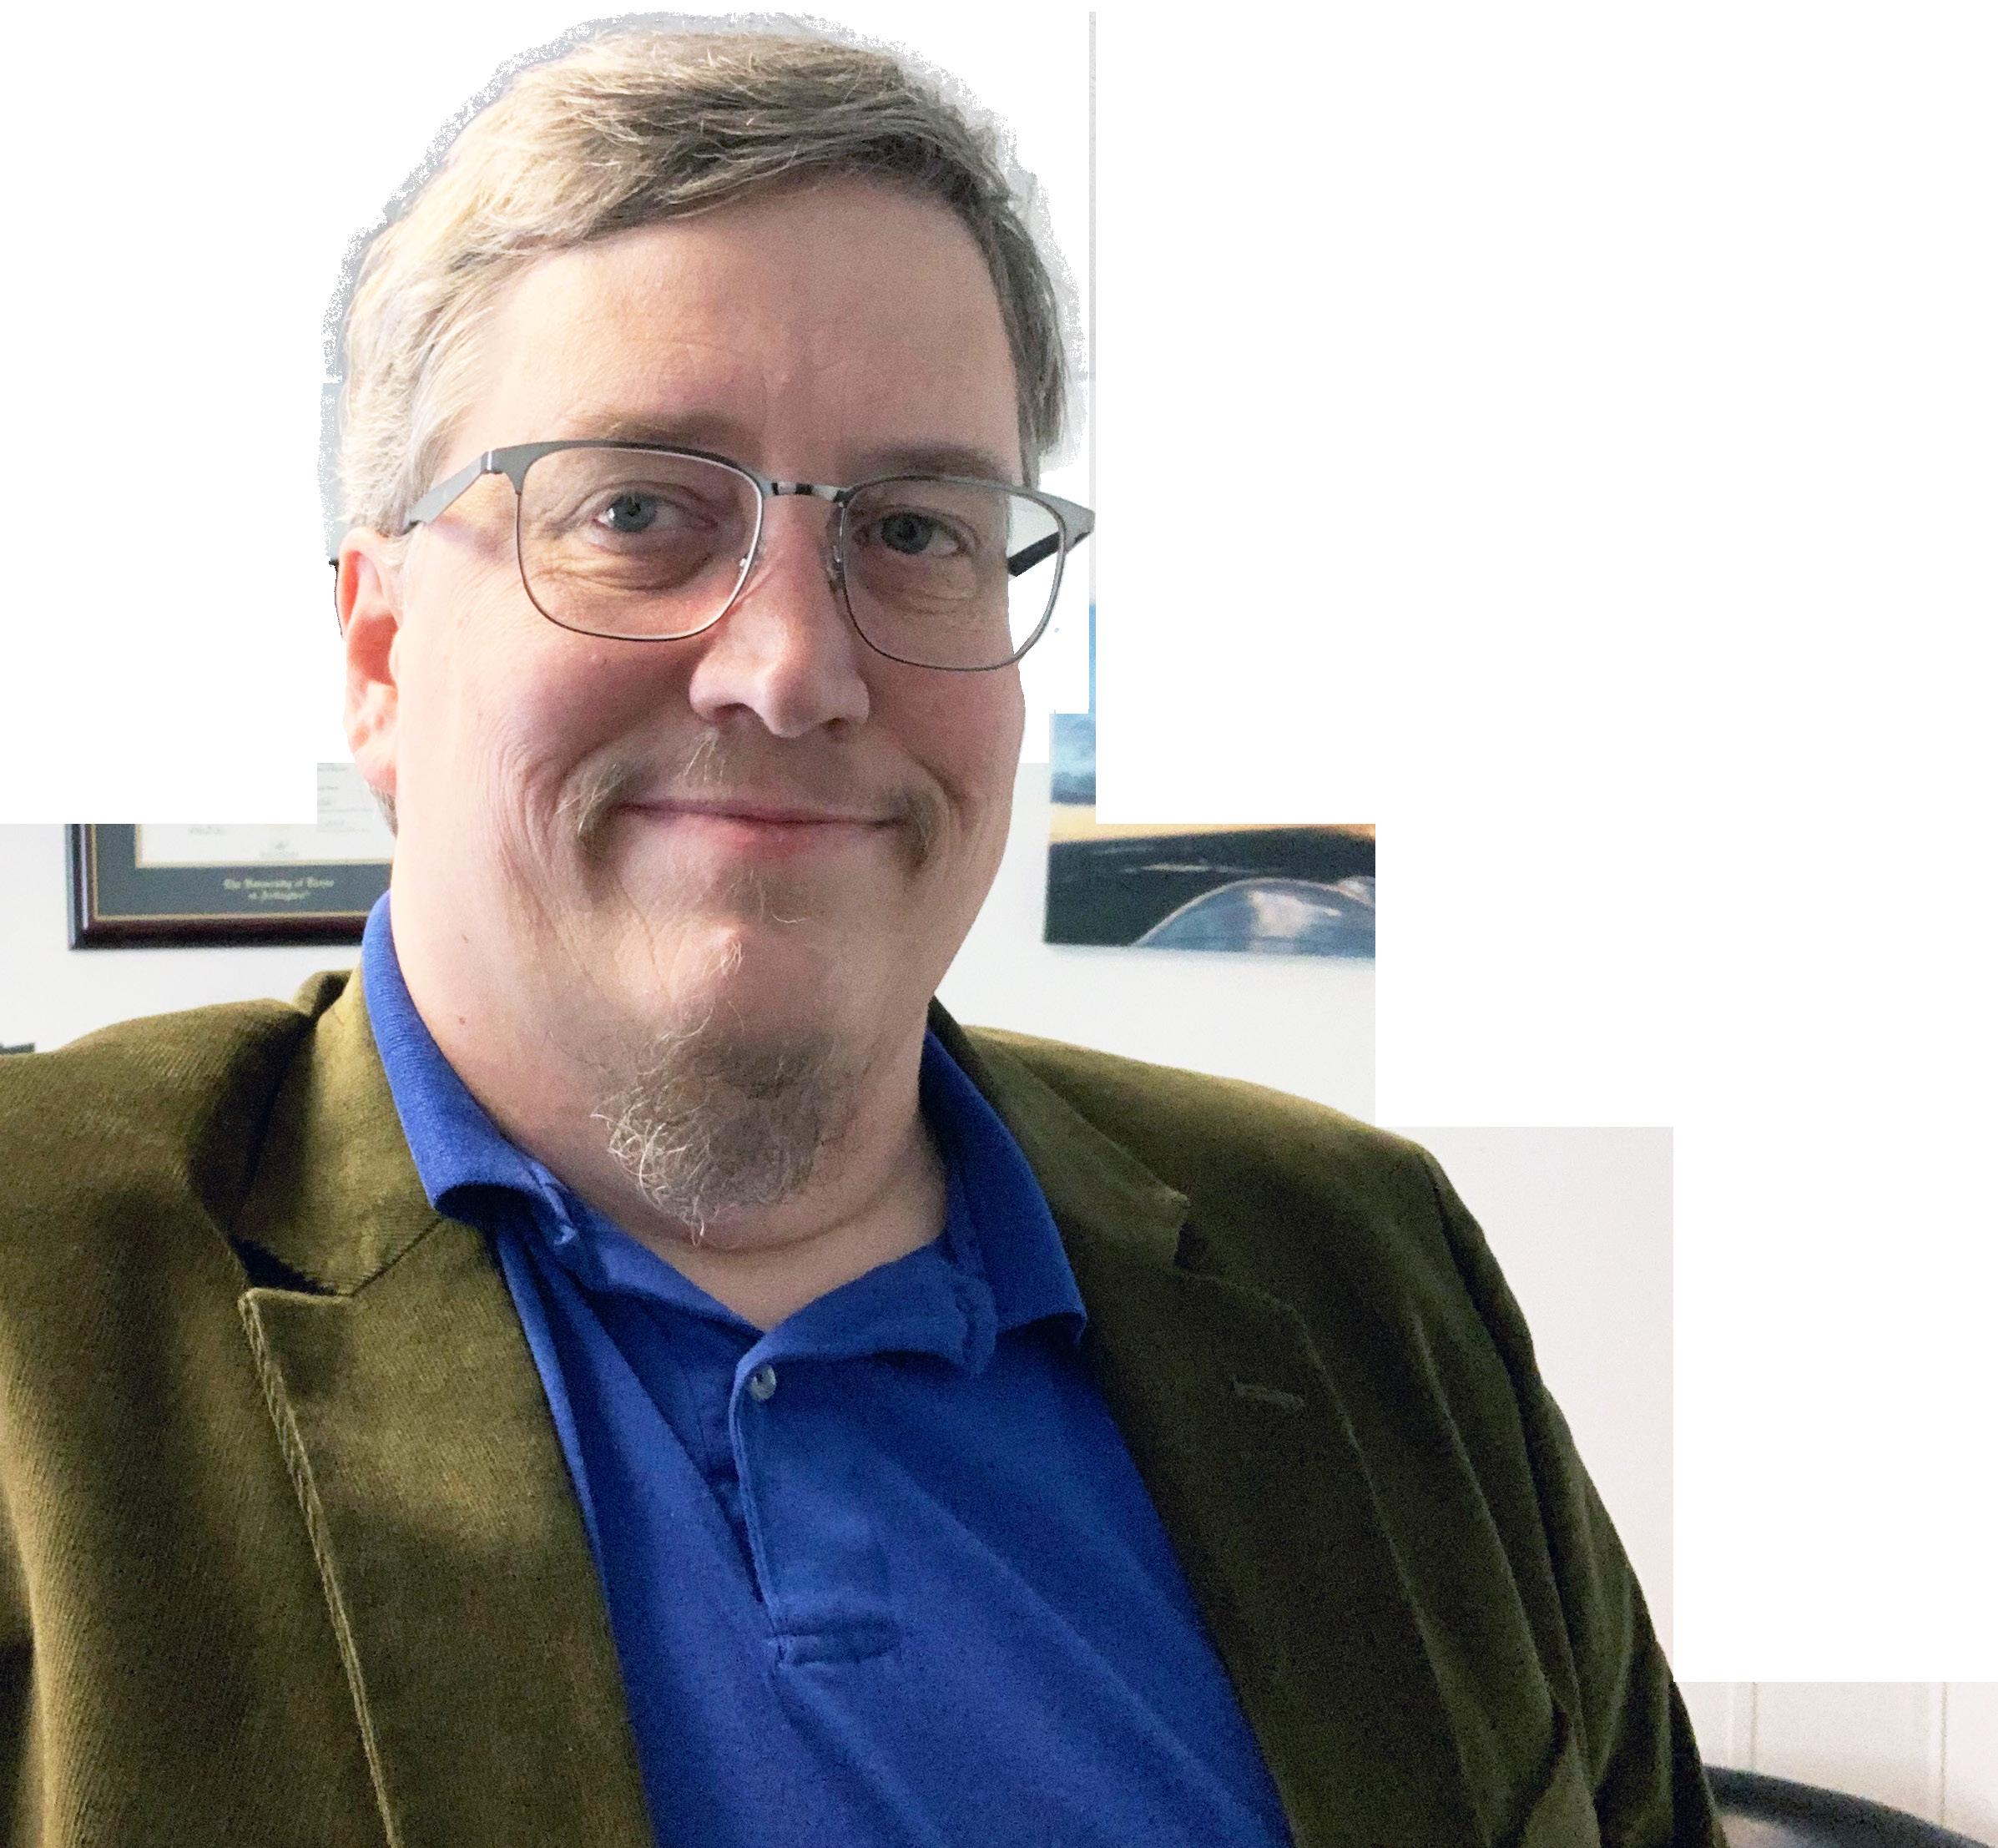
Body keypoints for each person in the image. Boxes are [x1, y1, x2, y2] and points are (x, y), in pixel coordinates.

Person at [0, 23, 1723, 1848]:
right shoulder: (43, 1310)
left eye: (915, 528)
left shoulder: (1365, 1262)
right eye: (639, 511)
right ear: (380, 653)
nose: (795, 667)